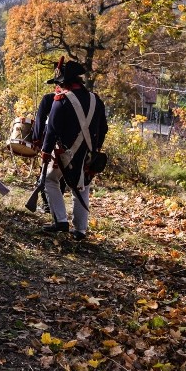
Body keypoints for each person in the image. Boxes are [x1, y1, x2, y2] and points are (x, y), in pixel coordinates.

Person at [39, 59, 108, 240]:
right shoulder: (96, 100)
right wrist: (94, 149)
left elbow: (52, 130)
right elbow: (103, 129)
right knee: (82, 186)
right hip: (88, 154)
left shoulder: (60, 100)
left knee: (49, 180)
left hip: (65, 153)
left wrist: (45, 151)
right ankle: (81, 230)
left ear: (64, 82)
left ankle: (61, 220)